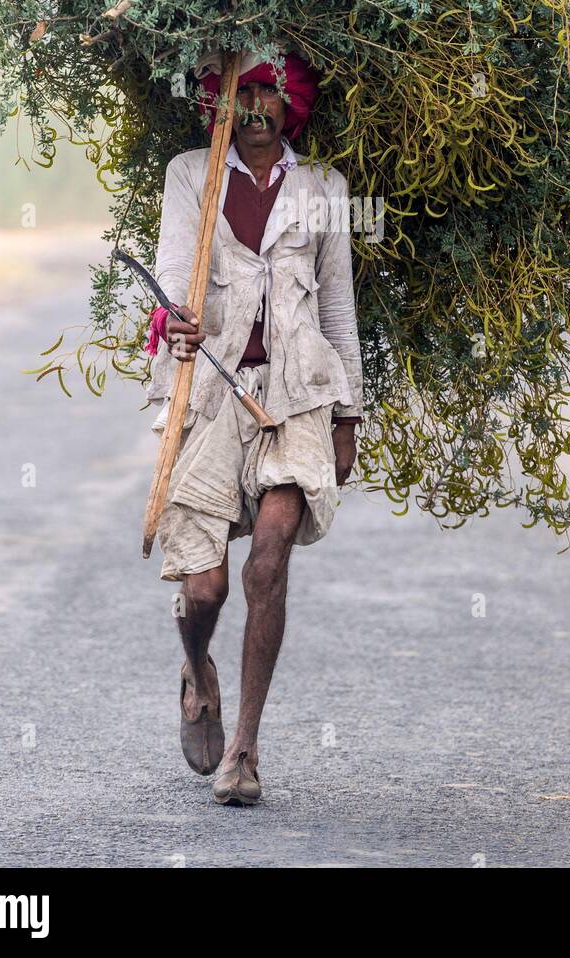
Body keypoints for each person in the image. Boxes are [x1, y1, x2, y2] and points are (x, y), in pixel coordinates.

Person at [144, 43, 363, 805]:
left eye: (271, 96)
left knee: (267, 562)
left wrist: (349, 415)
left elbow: (337, 306)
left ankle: (244, 750)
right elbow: (176, 270)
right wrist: (175, 318)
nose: (257, 109)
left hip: (298, 394)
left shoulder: (323, 187)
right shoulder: (190, 174)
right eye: (242, 96)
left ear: (290, 105)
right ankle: (196, 667)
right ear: (220, 105)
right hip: (208, 390)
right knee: (203, 587)